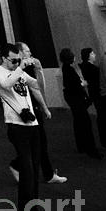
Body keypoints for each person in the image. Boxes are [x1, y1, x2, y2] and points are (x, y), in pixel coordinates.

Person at [0, 42, 52, 211]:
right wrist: (20, 67)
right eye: (13, 60)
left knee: (33, 172)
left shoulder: (19, 70)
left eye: (18, 59)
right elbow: (7, 84)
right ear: (4, 58)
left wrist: (39, 71)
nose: (16, 63)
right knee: (26, 172)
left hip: (32, 125)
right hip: (16, 127)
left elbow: (37, 87)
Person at [8, 42, 66, 185]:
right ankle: (18, 165)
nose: (30, 53)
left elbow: (40, 87)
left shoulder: (29, 67)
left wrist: (39, 70)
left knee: (40, 143)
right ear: (20, 52)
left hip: (35, 109)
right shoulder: (18, 69)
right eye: (27, 51)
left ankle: (48, 174)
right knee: (37, 143)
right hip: (27, 110)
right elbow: (34, 89)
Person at [60, 47, 102, 158]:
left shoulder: (66, 68)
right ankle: (91, 149)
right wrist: (83, 84)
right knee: (85, 123)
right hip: (76, 99)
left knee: (79, 122)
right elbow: (75, 85)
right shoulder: (69, 70)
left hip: (73, 99)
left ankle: (82, 145)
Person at [80, 47, 106, 149]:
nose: (94, 55)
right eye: (92, 53)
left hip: (95, 94)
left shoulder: (84, 67)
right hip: (99, 94)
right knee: (103, 117)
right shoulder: (91, 68)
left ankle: (105, 140)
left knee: (102, 117)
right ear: (88, 56)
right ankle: (105, 140)